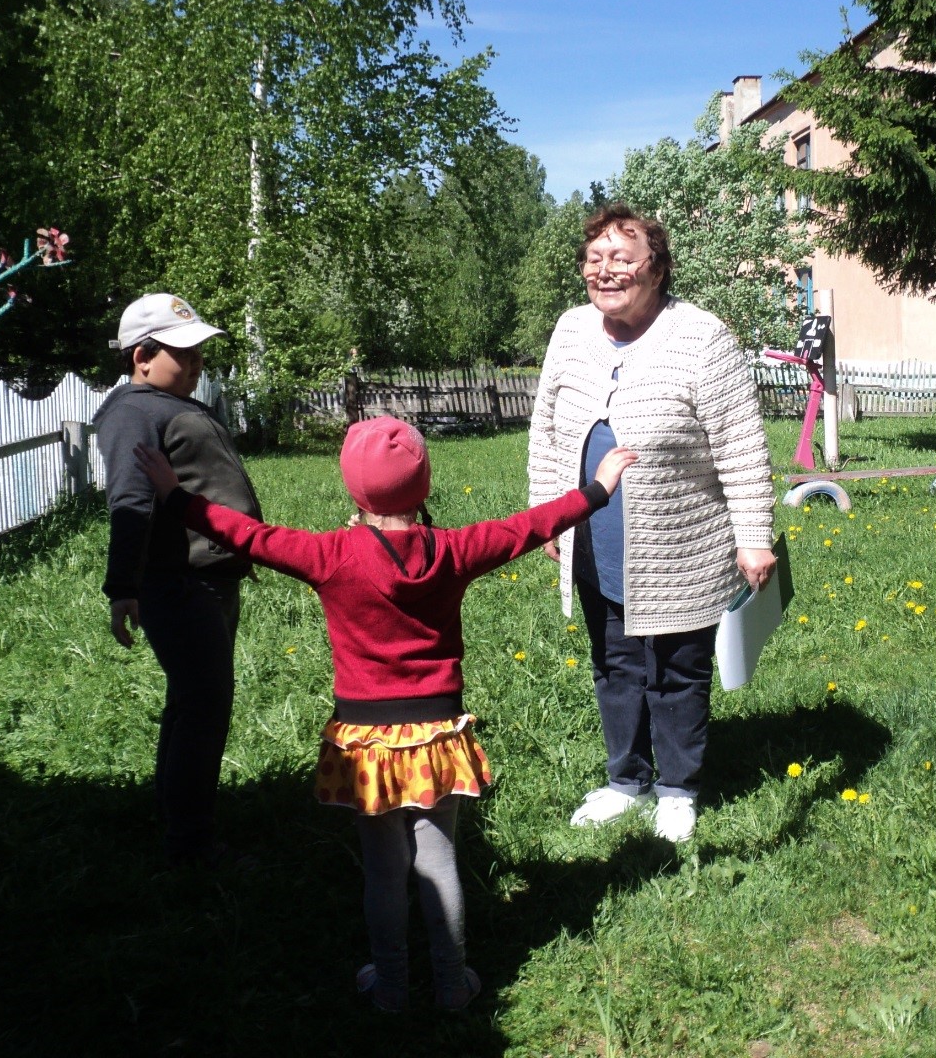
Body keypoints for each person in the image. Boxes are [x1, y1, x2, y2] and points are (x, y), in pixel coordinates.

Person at [136, 417, 635, 1013]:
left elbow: (248, 536)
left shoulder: (330, 556)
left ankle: (393, 988)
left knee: (383, 870)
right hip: (436, 735)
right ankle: (452, 983)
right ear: (423, 485)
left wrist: (174, 495)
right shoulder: (454, 550)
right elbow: (527, 528)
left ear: (355, 493)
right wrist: (598, 489)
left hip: (365, 741)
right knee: (439, 858)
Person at [527, 203, 776, 844]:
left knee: (675, 670)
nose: (604, 271)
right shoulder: (571, 330)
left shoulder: (701, 336)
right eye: (593, 258)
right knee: (613, 665)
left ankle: (676, 788)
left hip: (678, 541)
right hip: (594, 539)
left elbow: (742, 444)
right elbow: (548, 432)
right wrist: (547, 516)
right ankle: (625, 779)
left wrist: (753, 535)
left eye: (620, 258)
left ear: (656, 269)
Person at [95, 293, 263, 868]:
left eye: (198, 354)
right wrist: (123, 586)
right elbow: (130, 504)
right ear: (142, 355)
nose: (195, 365)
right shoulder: (132, 413)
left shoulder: (168, 403)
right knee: (204, 707)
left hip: (210, 580)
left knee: (193, 703)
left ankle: (173, 815)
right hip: (180, 584)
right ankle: (190, 845)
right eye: (182, 353)